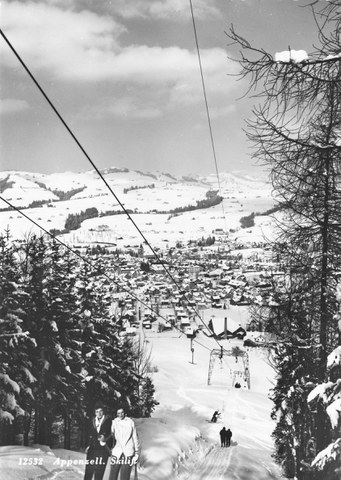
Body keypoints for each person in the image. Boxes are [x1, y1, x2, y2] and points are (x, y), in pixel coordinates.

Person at [109, 407, 139, 480]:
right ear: (116, 414)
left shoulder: (130, 422)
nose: (120, 415)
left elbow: (135, 437)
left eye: (122, 412)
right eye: (118, 413)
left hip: (128, 452)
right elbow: (110, 436)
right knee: (112, 476)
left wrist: (136, 452)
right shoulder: (114, 422)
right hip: (117, 452)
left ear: (125, 413)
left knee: (125, 477)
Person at [84, 402, 112, 480]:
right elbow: (87, 434)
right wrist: (87, 445)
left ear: (103, 411)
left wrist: (105, 439)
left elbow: (112, 435)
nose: (99, 413)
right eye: (97, 411)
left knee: (99, 474)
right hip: (92, 449)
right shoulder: (92, 421)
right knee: (88, 473)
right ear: (95, 412)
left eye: (100, 411)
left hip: (103, 450)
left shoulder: (109, 421)